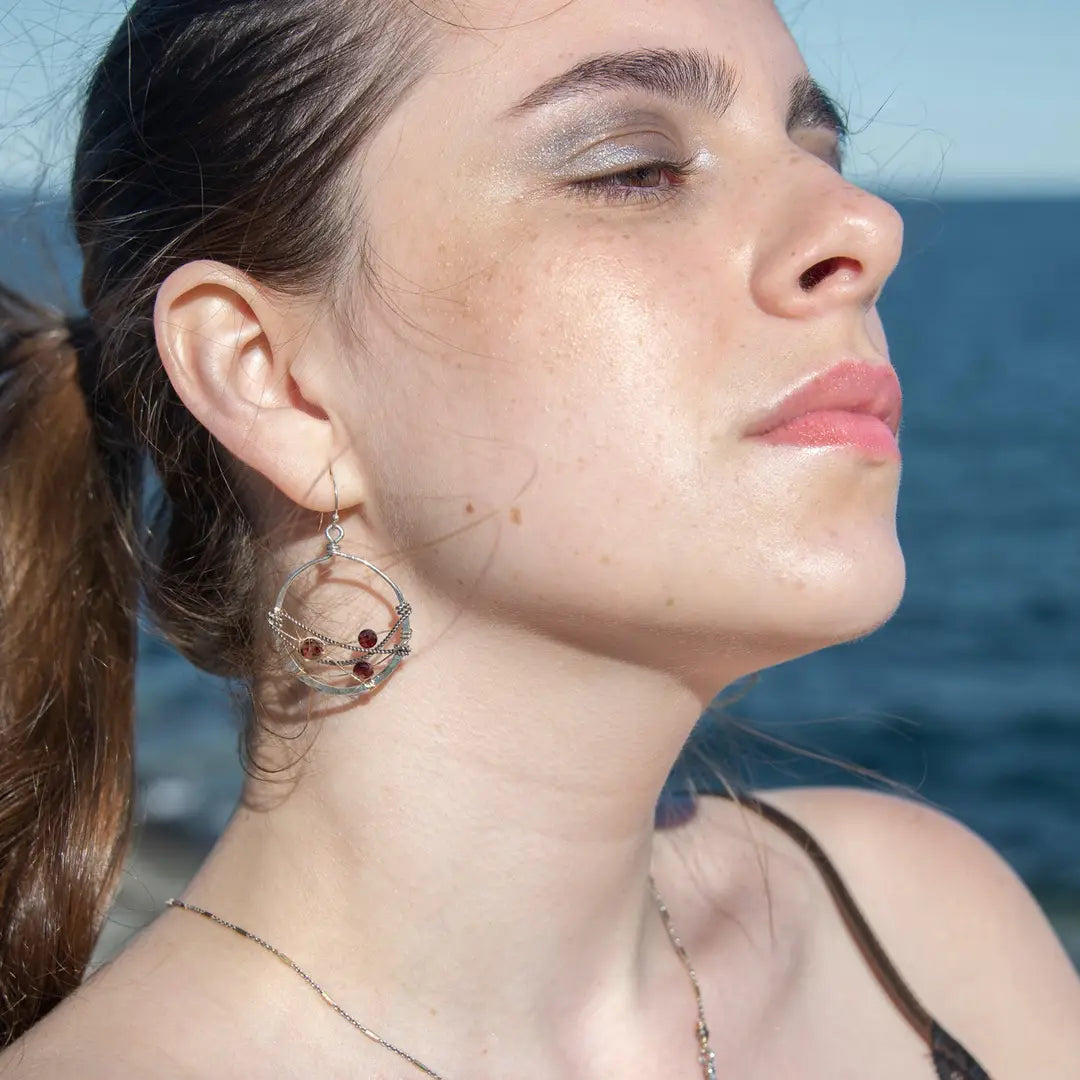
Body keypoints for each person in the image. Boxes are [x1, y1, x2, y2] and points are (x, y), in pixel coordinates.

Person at [0, 0, 1077, 1076]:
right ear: (273, 380)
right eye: (634, 166)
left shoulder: (917, 928)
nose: (865, 222)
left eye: (817, 149)